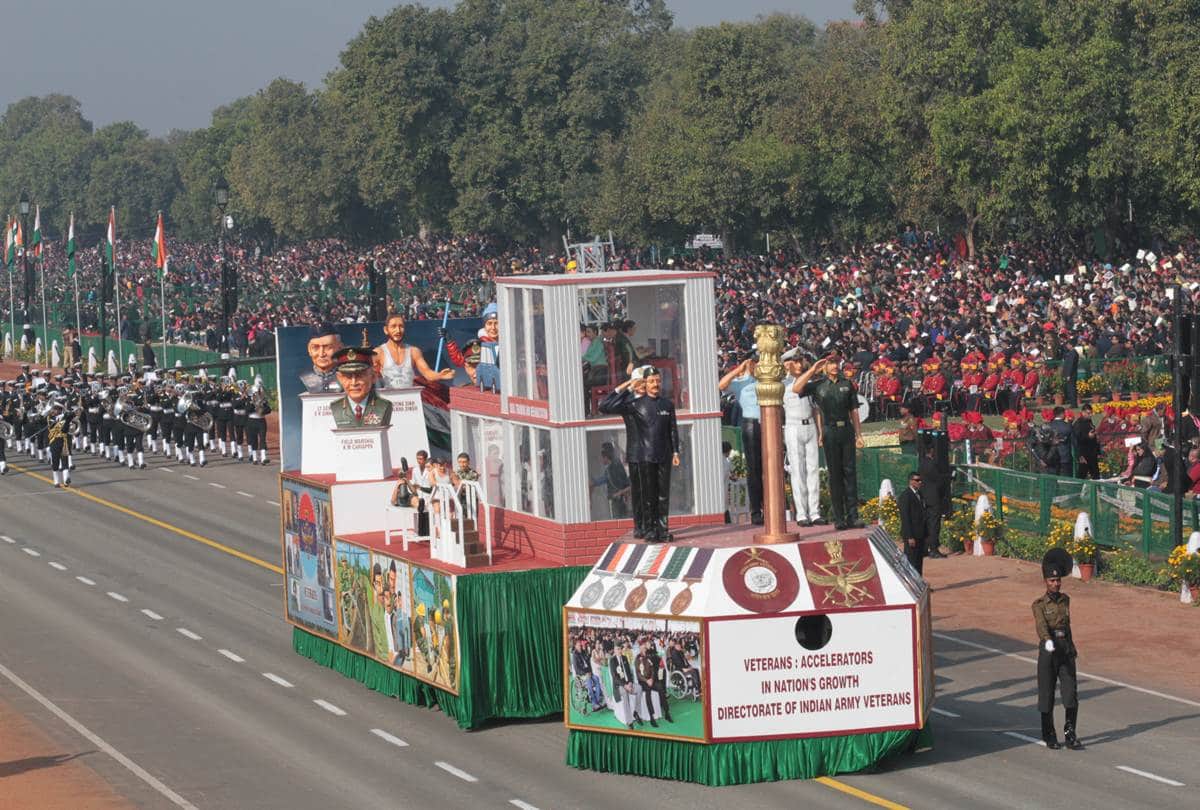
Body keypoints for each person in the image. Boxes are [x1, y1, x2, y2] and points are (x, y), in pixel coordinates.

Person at [599, 366, 681, 542]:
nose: (651, 385)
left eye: (655, 381)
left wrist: (675, 451)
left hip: (659, 453)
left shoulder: (664, 404)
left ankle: (659, 528)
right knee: (642, 494)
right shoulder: (631, 403)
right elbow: (604, 405)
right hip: (640, 453)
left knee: (659, 494)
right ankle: (644, 527)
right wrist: (626, 386)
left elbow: (672, 429)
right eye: (646, 382)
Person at [794, 356, 866, 530]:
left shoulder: (847, 384)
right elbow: (797, 388)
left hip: (846, 430)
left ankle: (853, 516)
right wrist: (812, 369)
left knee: (850, 473)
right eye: (830, 363)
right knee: (835, 475)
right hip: (829, 431)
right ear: (824, 366)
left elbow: (854, 411)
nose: (834, 366)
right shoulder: (818, 384)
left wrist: (859, 435)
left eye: (836, 362)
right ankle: (839, 517)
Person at [1034, 547, 1083, 750]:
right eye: (1052, 581)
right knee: (1046, 694)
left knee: (1070, 693)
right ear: (1046, 581)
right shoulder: (1038, 604)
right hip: (1049, 650)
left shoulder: (1066, 600)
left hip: (1064, 649)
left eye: (1058, 580)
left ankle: (1070, 732)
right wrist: (1046, 640)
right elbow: (1041, 624)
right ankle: (1049, 734)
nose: (1056, 583)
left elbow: (1067, 625)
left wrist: (1071, 647)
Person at [718, 357, 764, 525]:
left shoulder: (768, 379)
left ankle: (770, 507)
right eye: (753, 363)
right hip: (751, 424)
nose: (756, 366)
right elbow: (721, 385)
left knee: (771, 469)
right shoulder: (741, 382)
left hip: (770, 424)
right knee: (754, 469)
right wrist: (740, 370)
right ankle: (756, 511)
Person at [783, 348, 823, 526]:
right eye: (796, 361)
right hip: (793, 426)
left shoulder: (809, 382)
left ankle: (815, 512)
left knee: (813, 470)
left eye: (801, 361)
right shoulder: (783, 383)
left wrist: (820, 432)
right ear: (787, 364)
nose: (799, 365)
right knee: (798, 470)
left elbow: (816, 409)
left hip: (810, 426)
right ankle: (801, 513)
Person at [376, 313, 457, 389]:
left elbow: (427, 373)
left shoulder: (414, 351)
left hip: (410, 399)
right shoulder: (378, 353)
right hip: (388, 399)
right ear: (386, 330)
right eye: (393, 326)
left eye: (401, 326)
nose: (398, 330)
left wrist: (440, 375)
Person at [330, 345, 393, 428]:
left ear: (373, 377)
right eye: (348, 376)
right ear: (340, 378)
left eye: (359, 375)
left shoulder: (383, 406)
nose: (354, 383)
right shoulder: (336, 408)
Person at [635, 635, 671, 727]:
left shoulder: (649, 656)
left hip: (651, 679)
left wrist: (651, 678)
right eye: (642, 647)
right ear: (640, 648)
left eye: (645, 647)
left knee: (660, 688)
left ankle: (666, 712)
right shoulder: (637, 658)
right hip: (643, 681)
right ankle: (651, 716)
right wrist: (647, 680)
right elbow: (638, 674)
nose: (644, 648)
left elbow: (653, 670)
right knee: (648, 693)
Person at [898, 472, 928, 575]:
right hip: (912, 535)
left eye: (920, 480)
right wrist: (910, 536)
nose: (920, 482)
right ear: (911, 481)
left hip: (920, 533)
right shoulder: (906, 496)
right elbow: (905, 517)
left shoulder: (919, 494)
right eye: (917, 480)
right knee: (911, 561)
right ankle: (912, 586)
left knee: (919, 560)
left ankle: (919, 584)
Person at [299, 324, 343, 393]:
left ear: (340, 348)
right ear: (309, 350)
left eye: (328, 347)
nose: (321, 354)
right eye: (315, 348)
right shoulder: (305, 377)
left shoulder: (346, 377)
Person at [572, 638, 604, 712]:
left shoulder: (583, 651)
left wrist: (590, 672)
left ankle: (597, 700)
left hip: (589, 672)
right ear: (575, 646)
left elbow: (588, 663)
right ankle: (594, 703)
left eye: (580, 644)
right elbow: (577, 669)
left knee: (596, 679)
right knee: (589, 683)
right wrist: (585, 674)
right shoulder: (574, 655)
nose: (580, 645)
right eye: (578, 644)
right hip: (582, 675)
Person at [1072, 405, 1100, 479]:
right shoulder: (1078, 424)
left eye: (1091, 413)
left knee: (1095, 475)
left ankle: (1097, 490)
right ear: (1083, 413)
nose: (1090, 415)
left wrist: (1098, 450)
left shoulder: (1089, 421)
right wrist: (1080, 455)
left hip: (1092, 453)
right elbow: (1076, 440)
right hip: (1084, 454)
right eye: (1088, 413)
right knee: (1082, 475)